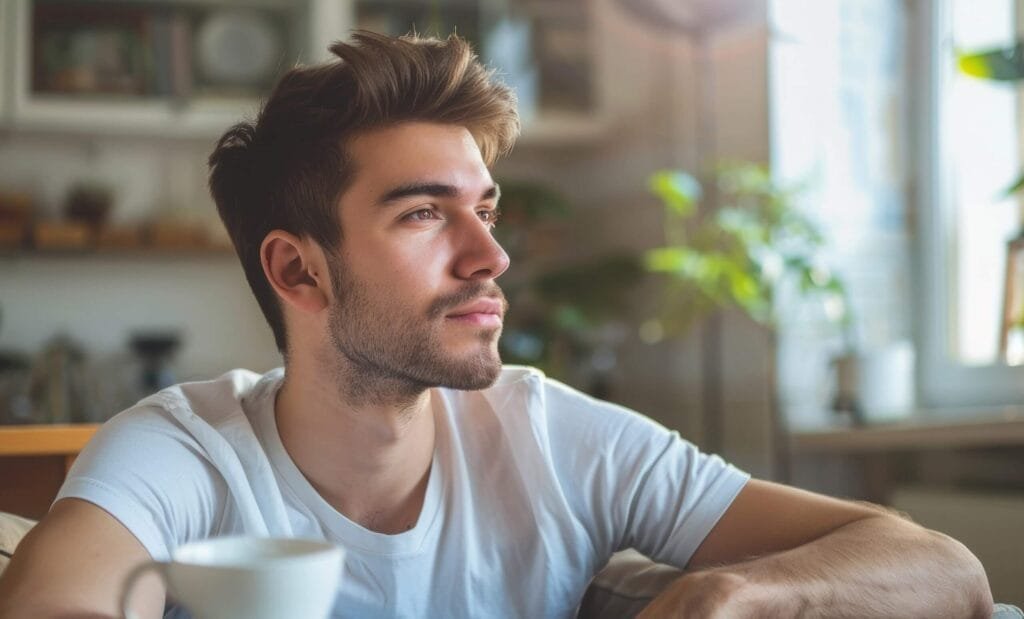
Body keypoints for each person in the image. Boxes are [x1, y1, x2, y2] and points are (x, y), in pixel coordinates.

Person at [0, 31, 992, 619]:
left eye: (487, 208)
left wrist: (750, 595)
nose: (490, 256)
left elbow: (948, 569)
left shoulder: (555, 435)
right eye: (426, 213)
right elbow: (53, 600)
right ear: (299, 269)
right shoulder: (186, 450)